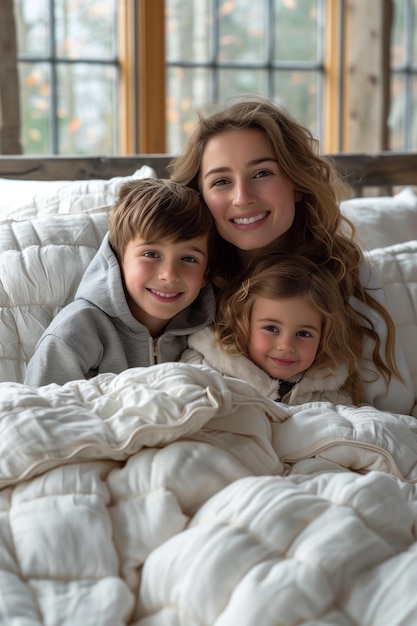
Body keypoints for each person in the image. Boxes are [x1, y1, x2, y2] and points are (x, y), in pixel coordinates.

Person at [168, 96, 411, 410]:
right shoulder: (181, 272)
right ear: (199, 195)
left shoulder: (346, 273)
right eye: (222, 181)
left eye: (262, 174)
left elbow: (392, 407)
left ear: (297, 182)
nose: (242, 198)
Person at [24, 178, 217, 387]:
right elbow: (39, 411)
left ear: (205, 273)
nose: (169, 275)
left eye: (189, 259)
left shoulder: (209, 333)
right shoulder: (77, 330)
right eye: (151, 254)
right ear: (117, 259)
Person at [182, 253, 357, 405]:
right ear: (243, 323)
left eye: (304, 333)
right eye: (271, 328)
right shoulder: (204, 369)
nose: (286, 345)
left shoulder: (329, 392)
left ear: (324, 336)